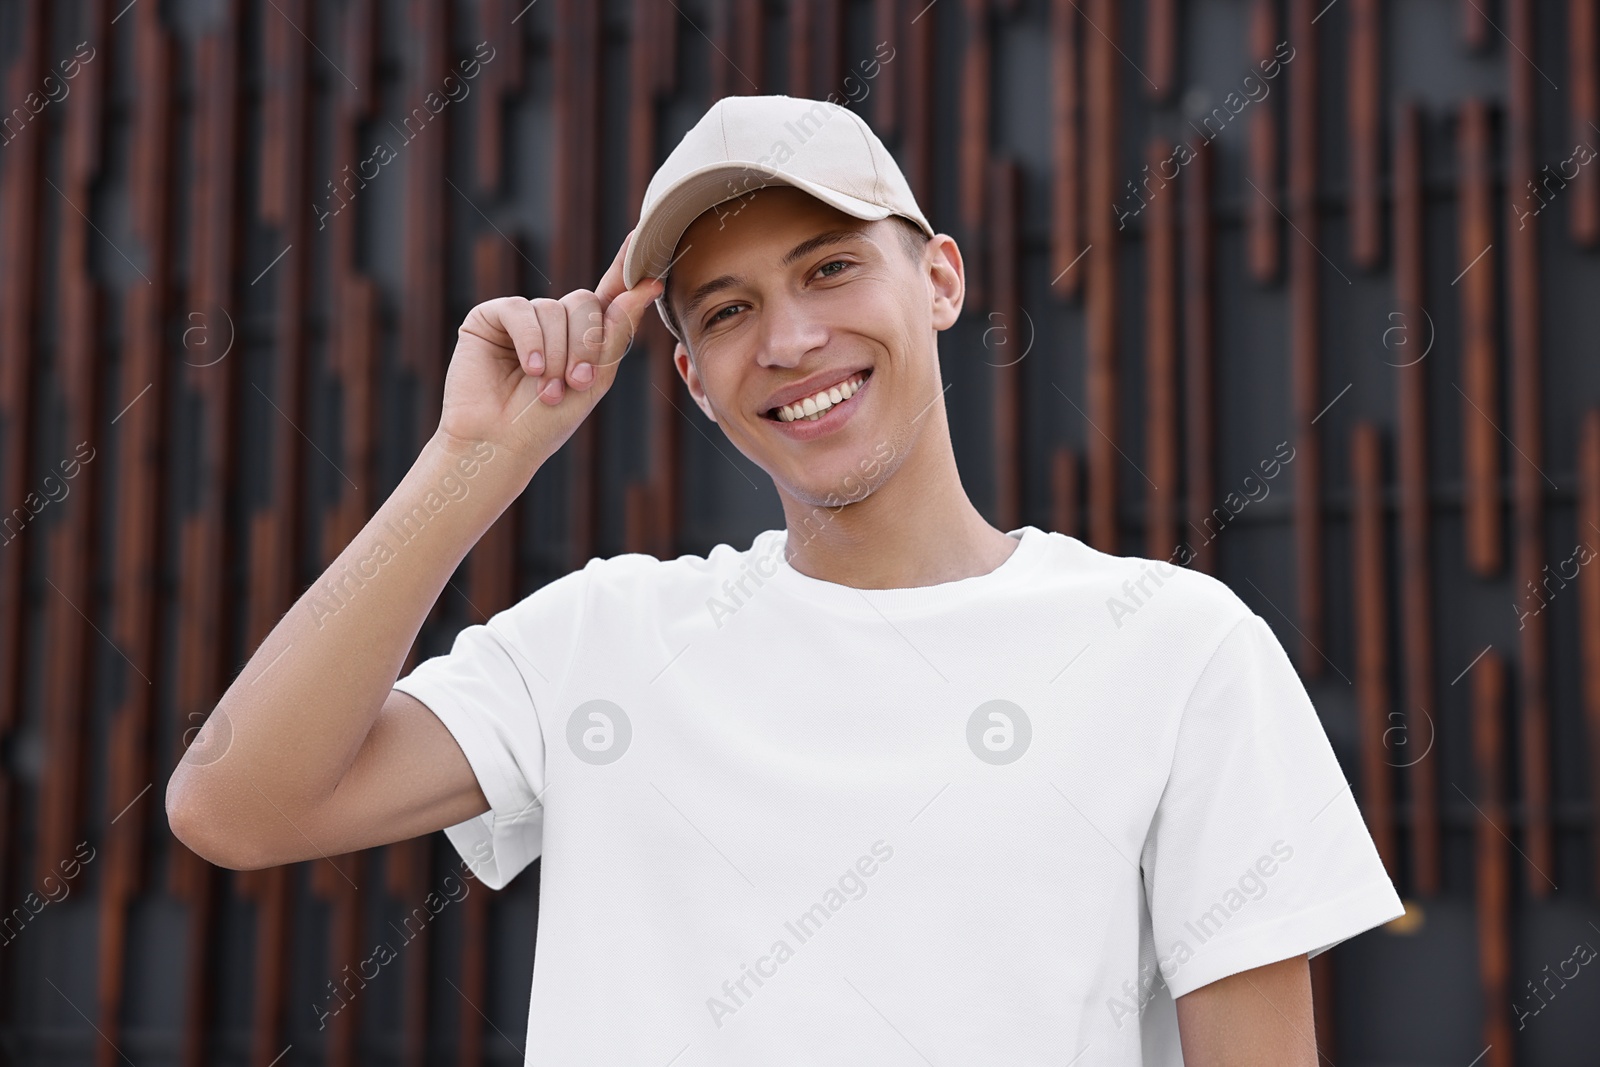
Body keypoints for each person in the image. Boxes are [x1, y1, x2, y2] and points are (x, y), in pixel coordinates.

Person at [166, 94, 1404, 1065]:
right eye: (726, 308)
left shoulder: (1173, 647)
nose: (791, 340)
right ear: (692, 378)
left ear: (939, 278)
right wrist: (468, 465)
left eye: (827, 269)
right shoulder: (602, 638)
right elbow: (234, 805)